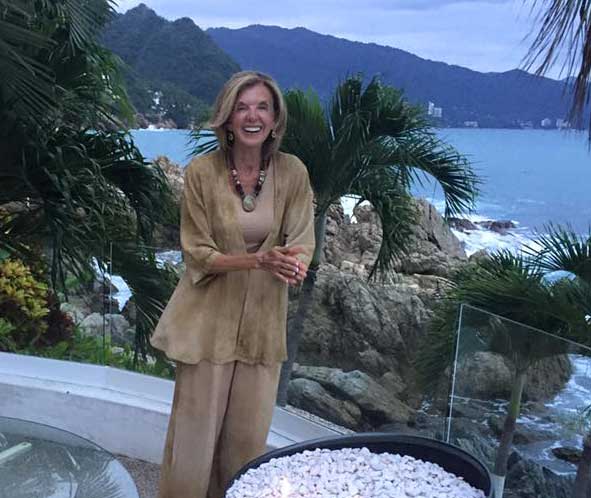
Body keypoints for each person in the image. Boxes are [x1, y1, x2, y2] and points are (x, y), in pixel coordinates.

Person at [150, 71, 316, 498]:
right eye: (241, 108)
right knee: (193, 447)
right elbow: (197, 253)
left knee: (246, 448)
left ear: (275, 119)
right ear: (226, 118)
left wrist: (294, 266)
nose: (252, 116)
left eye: (262, 107)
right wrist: (258, 260)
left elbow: (302, 242)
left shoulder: (293, 172)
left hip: (263, 327)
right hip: (205, 326)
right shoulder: (202, 173)